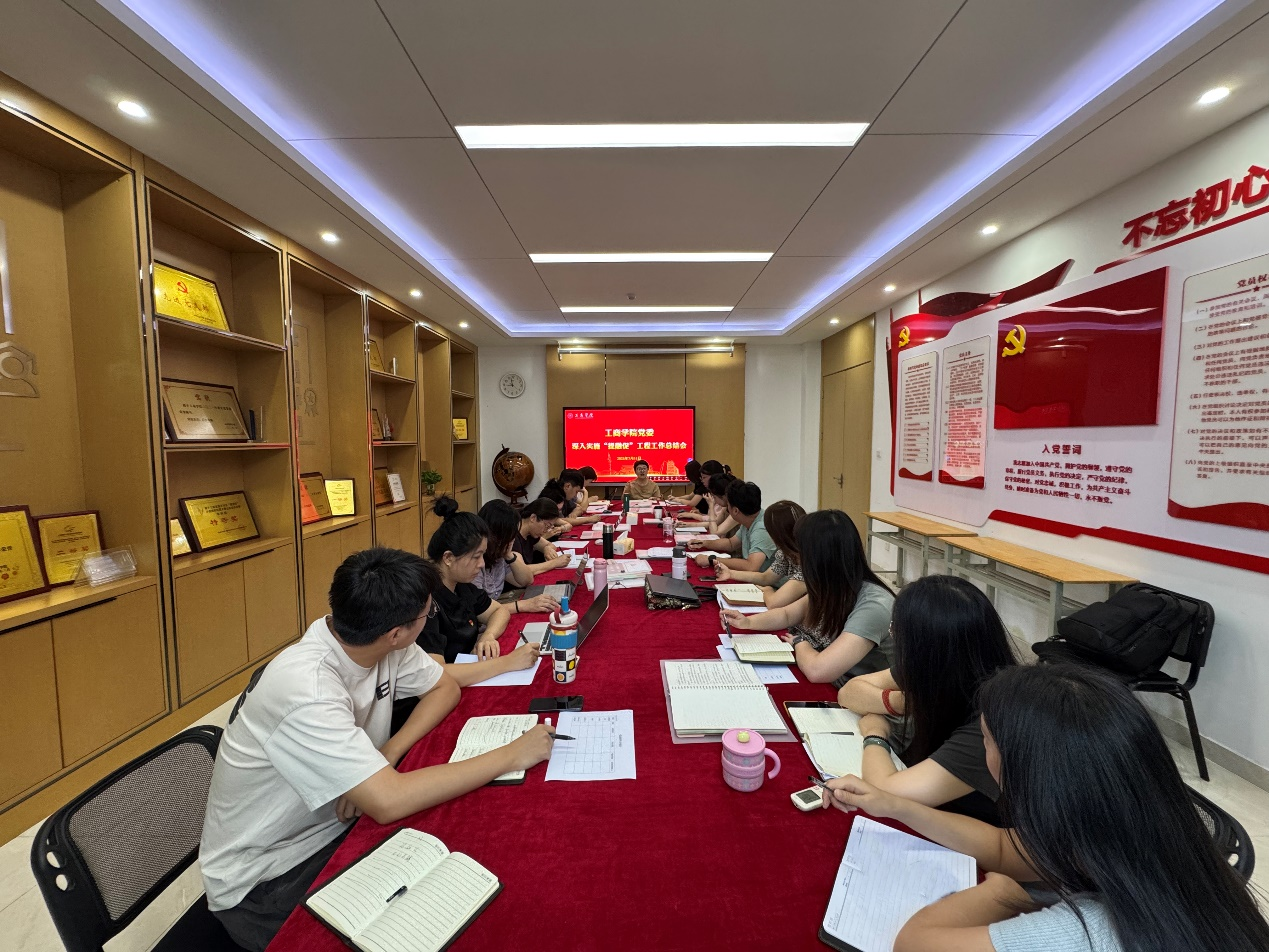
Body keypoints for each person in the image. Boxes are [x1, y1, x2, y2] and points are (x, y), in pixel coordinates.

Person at [199, 546, 556, 951]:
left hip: (335, 826)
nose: (429, 618)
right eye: (427, 615)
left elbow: (444, 687)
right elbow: (388, 801)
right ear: (397, 633)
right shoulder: (307, 688)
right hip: (268, 877)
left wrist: (386, 753)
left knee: (468, 854)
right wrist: (513, 754)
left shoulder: (374, 641)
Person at [822, 663, 1269, 952]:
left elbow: (915, 944)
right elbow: (1004, 846)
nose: (982, 749)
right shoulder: (1135, 828)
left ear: (1031, 777)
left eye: (986, 741)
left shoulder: (1087, 933)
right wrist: (893, 806)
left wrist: (1007, 890)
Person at [837, 574, 1017, 823]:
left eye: (896, 631)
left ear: (926, 647)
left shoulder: (989, 722)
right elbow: (849, 692)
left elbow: (885, 791)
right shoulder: (946, 668)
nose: (893, 636)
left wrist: (876, 733)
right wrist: (904, 703)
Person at [720, 510, 893, 685]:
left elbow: (818, 671)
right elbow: (787, 614)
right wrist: (748, 622)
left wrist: (800, 642)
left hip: (854, 690)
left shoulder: (874, 606)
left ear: (820, 558)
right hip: (833, 678)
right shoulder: (833, 583)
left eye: (801, 553)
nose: (798, 561)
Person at [419, 497, 547, 686]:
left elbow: (499, 611)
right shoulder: (425, 601)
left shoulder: (462, 586)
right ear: (448, 558)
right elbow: (437, 674)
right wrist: (508, 662)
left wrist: (488, 635)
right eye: (476, 557)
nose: (481, 564)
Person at [713, 499, 806, 608]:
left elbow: (773, 603)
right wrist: (730, 573)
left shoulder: (808, 562)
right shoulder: (787, 553)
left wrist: (768, 590)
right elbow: (766, 577)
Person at [474, 500, 561, 614]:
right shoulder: (474, 562)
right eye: (509, 535)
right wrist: (523, 605)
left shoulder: (500, 555)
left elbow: (526, 581)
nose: (512, 540)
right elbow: (479, 610)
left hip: (499, 606)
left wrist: (509, 555)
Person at [688, 479, 776, 571]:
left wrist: (712, 560)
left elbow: (751, 566)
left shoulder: (762, 528)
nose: (727, 508)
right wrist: (703, 543)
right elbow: (731, 544)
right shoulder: (749, 518)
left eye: (728, 504)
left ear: (735, 510)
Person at [513, 497, 571, 576]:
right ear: (533, 518)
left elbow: (550, 545)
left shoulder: (530, 533)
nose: (546, 531)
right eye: (547, 526)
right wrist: (555, 563)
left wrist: (546, 548)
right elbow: (522, 571)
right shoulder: (512, 537)